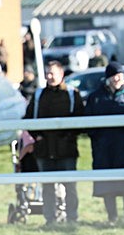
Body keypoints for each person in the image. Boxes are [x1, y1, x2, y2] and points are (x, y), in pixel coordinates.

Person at [24, 60, 85, 225]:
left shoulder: (73, 94)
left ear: (61, 74)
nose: (49, 77)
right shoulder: (38, 95)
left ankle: (72, 218)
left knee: (70, 186)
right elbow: (28, 119)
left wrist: (68, 136)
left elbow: (81, 120)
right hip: (44, 149)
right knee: (48, 187)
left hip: (67, 148)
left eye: (53, 73)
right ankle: (49, 219)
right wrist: (38, 136)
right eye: (47, 73)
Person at [84, 62, 124, 224]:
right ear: (108, 78)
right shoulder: (96, 97)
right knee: (107, 185)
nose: (117, 78)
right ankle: (112, 217)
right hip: (104, 148)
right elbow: (88, 123)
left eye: (120, 75)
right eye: (114, 75)